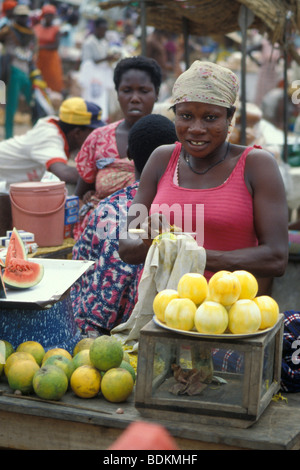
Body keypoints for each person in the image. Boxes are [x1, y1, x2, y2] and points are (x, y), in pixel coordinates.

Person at [118, 60, 289, 297]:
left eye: (210, 118)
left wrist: (194, 256)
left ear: (230, 118)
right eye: (186, 116)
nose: (196, 128)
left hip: (232, 315)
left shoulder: (257, 165)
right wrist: (148, 240)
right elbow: (127, 246)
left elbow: (276, 258)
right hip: (167, 313)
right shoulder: (161, 159)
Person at [71, 114, 177, 336]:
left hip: (97, 330)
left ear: (128, 155)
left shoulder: (104, 210)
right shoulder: (181, 211)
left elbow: (78, 269)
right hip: (166, 324)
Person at [74, 55, 162, 239]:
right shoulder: (98, 138)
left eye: (144, 91)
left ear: (157, 93)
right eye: (127, 90)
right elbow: (80, 196)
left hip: (151, 239)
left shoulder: (169, 139)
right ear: (117, 92)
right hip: (99, 237)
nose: (135, 98)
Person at [0, 97, 104, 193]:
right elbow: (64, 173)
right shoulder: (50, 137)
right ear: (77, 133)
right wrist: (104, 176)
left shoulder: (59, 132)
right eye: (93, 132)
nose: (97, 136)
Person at [0, 4, 38, 139]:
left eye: (25, 16)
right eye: (20, 16)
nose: (23, 18)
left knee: (33, 103)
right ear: (15, 16)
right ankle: (8, 137)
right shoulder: (8, 30)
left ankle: (37, 133)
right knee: (11, 106)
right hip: (13, 70)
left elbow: (34, 52)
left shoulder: (31, 32)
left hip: (27, 71)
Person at [78, 17, 120, 122]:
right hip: (91, 77)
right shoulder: (89, 43)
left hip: (101, 77)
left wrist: (111, 58)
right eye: (102, 29)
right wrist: (106, 58)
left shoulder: (104, 43)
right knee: (90, 98)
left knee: (101, 100)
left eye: (106, 29)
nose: (104, 32)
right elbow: (87, 62)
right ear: (96, 28)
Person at [34, 4, 64, 94]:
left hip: (51, 60)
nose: (49, 17)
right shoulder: (37, 28)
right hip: (39, 59)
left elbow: (55, 46)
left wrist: (41, 47)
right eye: (47, 15)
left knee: (52, 81)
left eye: (51, 15)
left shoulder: (56, 30)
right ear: (43, 16)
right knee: (38, 80)